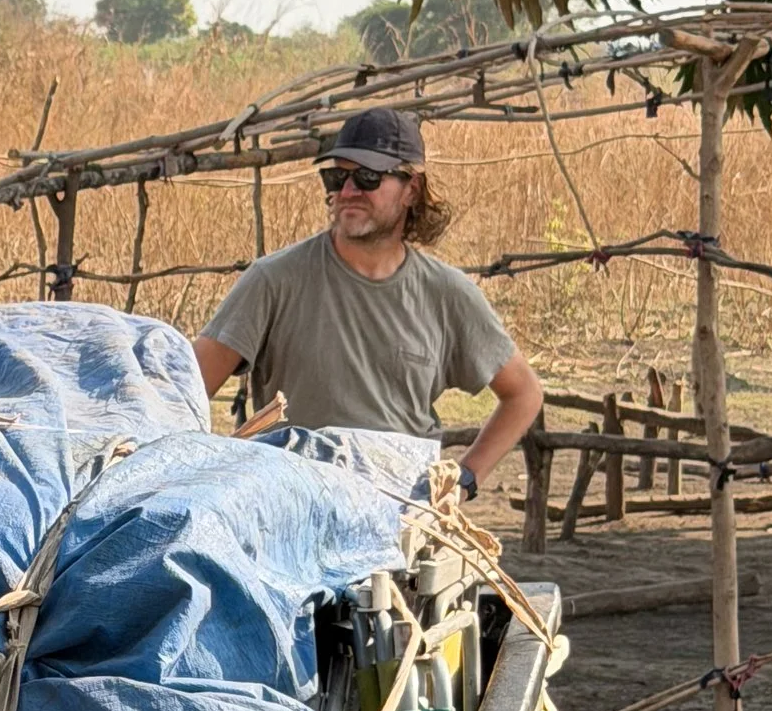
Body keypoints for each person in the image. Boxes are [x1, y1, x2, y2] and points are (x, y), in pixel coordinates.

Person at [193, 109, 543, 501]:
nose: (347, 192)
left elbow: (524, 393)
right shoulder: (273, 281)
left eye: (368, 178)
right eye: (336, 177)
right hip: (290, 516)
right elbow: (188, 388)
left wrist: (466, 478)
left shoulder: (447, 294)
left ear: (411, 189)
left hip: (401, 521)